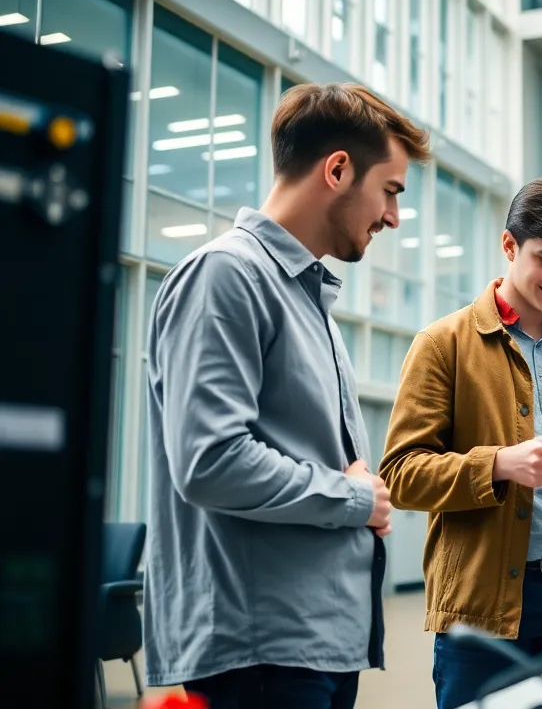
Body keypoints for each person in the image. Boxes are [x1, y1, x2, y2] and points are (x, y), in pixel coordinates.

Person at [143, 83, 430, 708]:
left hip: (311, 643)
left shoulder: (307, 298)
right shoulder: (226, 276)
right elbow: (210, 461)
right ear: (337, 169)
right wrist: (354, 496)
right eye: (391, 191)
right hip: (262, 648)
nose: (393, 217)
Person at [379, 177, 542, 709]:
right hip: (482, 597)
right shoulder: (442, 344)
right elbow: (400, 475)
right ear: (509, 246)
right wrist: (499, 464)